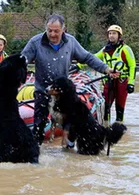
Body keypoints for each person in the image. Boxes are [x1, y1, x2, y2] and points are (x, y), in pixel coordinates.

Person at [22, 14, 119, 145]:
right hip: (43, 92)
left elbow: (87, 57)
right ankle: (36, 155)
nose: (52, 34)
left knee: (72, 125)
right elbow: (21, 62)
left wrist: (106, 69)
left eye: (56, 31)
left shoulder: (71, 42)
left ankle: (69, 148)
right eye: (49, 30)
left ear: (63, 29)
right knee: (39, 126)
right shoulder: (35, 42)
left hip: (65, 95)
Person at [95, 25, 136, 122]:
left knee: (120, 108)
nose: (111, 36)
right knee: (105, 108)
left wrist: (131, 83)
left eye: (114, 33)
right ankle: (106, 125)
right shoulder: (105, 50)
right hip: (108, 81)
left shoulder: (125, 49)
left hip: (121, 81)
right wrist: (79, 65)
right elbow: (93, 58)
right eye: (109, 33)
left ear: (119, 36)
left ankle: (119, 126)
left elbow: (132, 66)